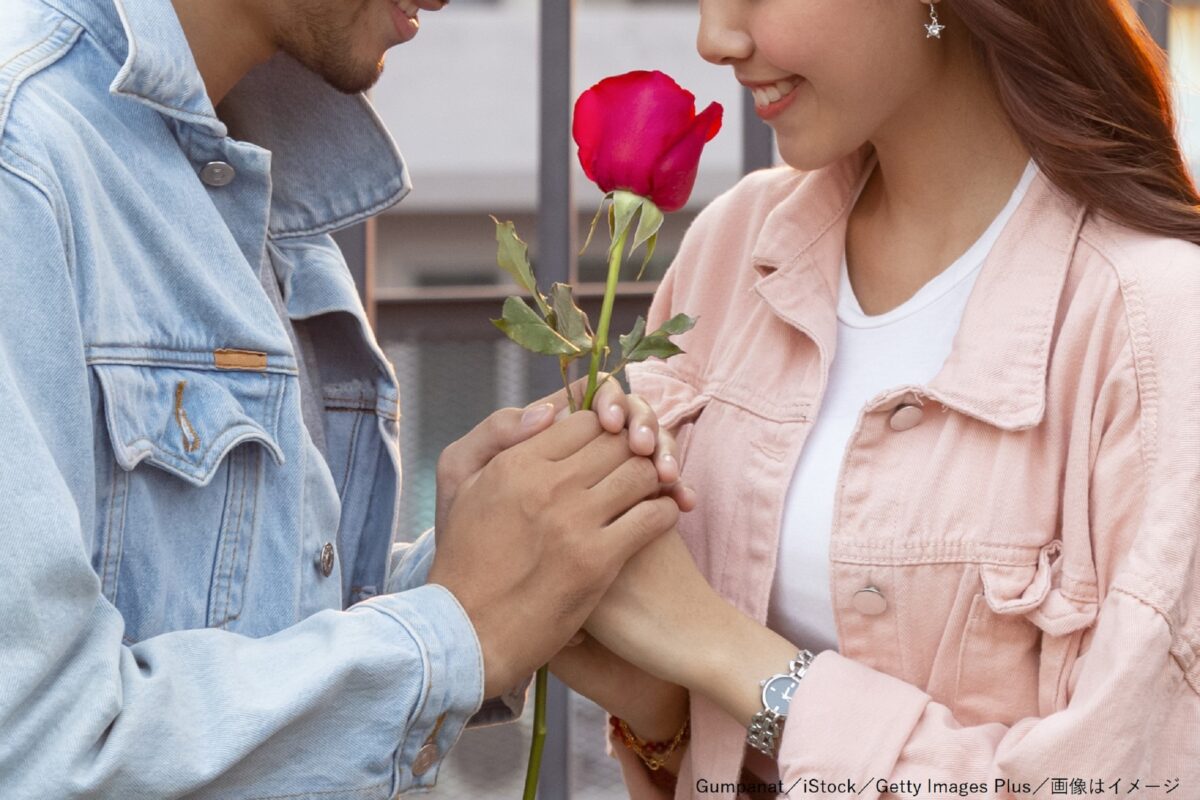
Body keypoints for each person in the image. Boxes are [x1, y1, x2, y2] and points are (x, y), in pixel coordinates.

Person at [0, 0, 691, 796]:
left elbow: (244, 625)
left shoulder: (241, 153)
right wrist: (457, 628)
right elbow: (37, 752)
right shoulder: (26, 154)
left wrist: (487, 561)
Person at [549, 0, 1200, 798]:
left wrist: (720, 649)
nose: (715, 39)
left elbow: (1126, 780)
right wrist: (655, 705)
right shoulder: (739, 247)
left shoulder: (1152, 324)